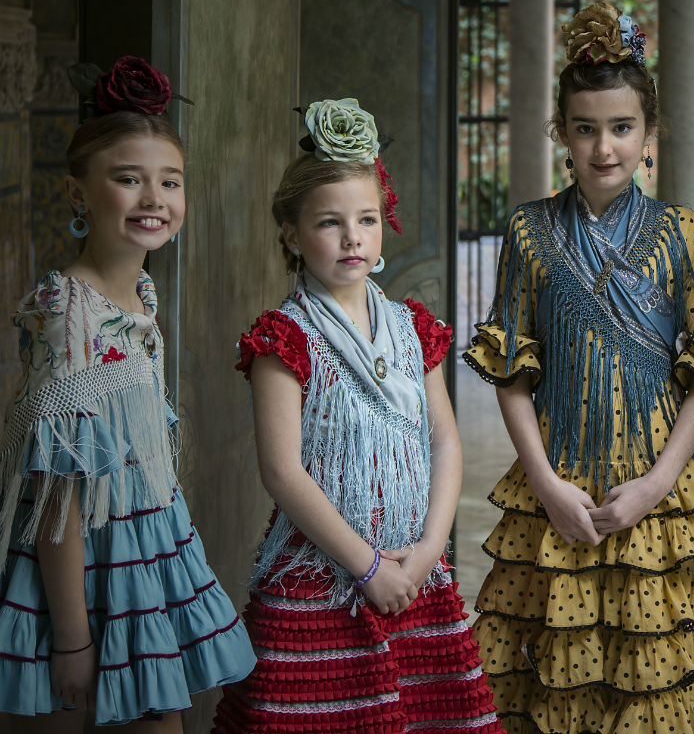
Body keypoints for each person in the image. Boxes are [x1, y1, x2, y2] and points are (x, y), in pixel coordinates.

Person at [463, 3, 694, 733]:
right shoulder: (528, 230)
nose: (604, 148)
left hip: (656, 494)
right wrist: (546, 484)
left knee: (656, 682)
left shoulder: (681, 233)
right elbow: (511, 370)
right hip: (556, 495)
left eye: (621, 128)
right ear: (562, 134)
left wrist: (656, 483)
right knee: (554, 682)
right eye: (585, 129)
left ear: (649, 134)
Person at [212, 98, 503, 733]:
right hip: (323, 577)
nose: (352, 238)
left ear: (382, 226)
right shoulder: (283, 338)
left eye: (366, 220)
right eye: (329, 223)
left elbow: (445, 443)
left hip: (414, 572)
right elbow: (282, 471)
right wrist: (366, 568)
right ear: (291, 233)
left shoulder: (411, 327)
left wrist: (427, 552)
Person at [0, 56, 256, 733]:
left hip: (145, 549)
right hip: (83, 570)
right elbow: (60, 495)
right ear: (79, 192)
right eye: (127, 179)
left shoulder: (139, 294)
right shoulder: (70, 314)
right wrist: (74, 638)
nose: (154, 198)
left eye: (169, 181)